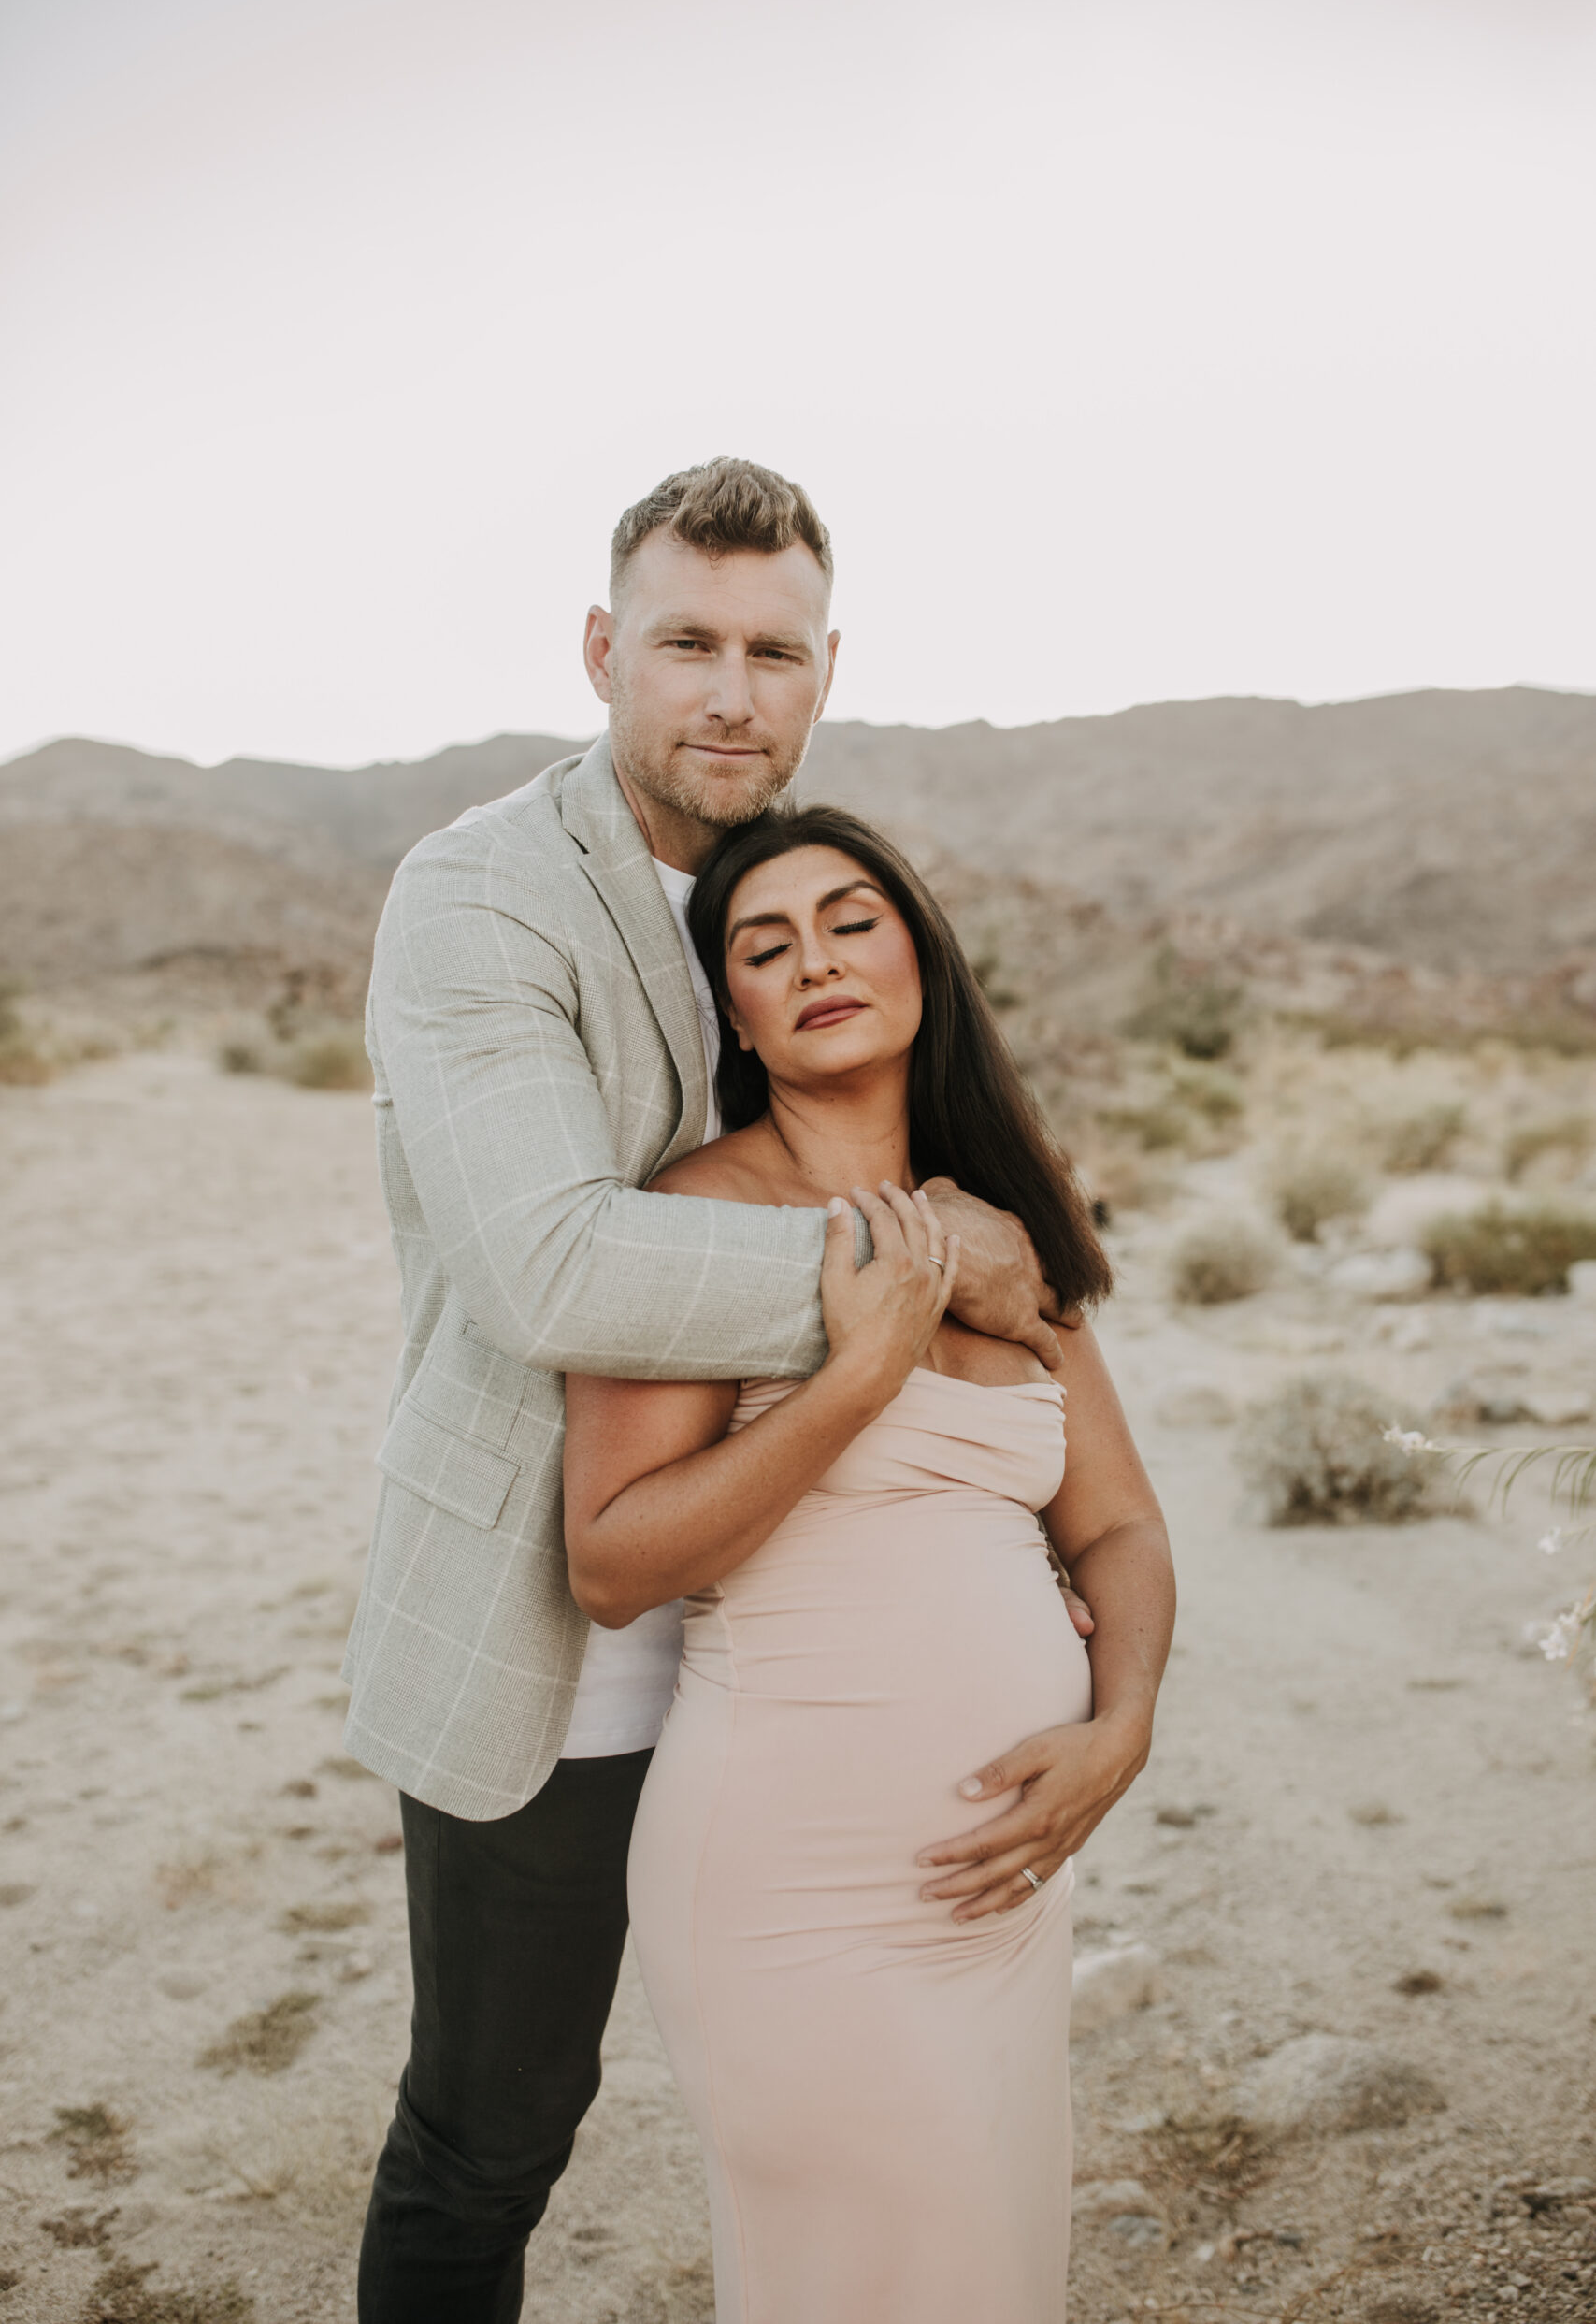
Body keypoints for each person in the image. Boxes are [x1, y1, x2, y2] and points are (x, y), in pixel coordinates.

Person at [348, 458, 1101, 2319]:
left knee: (868, 2113)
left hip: (817, 1657)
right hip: (563, 1625)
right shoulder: (481, 898)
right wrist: (942, 1275)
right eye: (685, 640)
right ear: (604, 648)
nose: (727, 691)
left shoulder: (798, 900)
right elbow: (553, 1264)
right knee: (494, 2128)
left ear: (821, 668)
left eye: (770, 649)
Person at [562, 808, 1174, 2322]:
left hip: (1004, 1882)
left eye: (853, 921)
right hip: (791, 1880)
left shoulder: (1011, 1224)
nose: (818, 961)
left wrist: (1124, 1724)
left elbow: (1119, 1525)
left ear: (921, 959)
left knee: (986, 2264)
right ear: (739, 1018)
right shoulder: (691, 1222)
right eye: (767, 947)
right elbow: (611, 1559)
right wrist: (860, 1372)